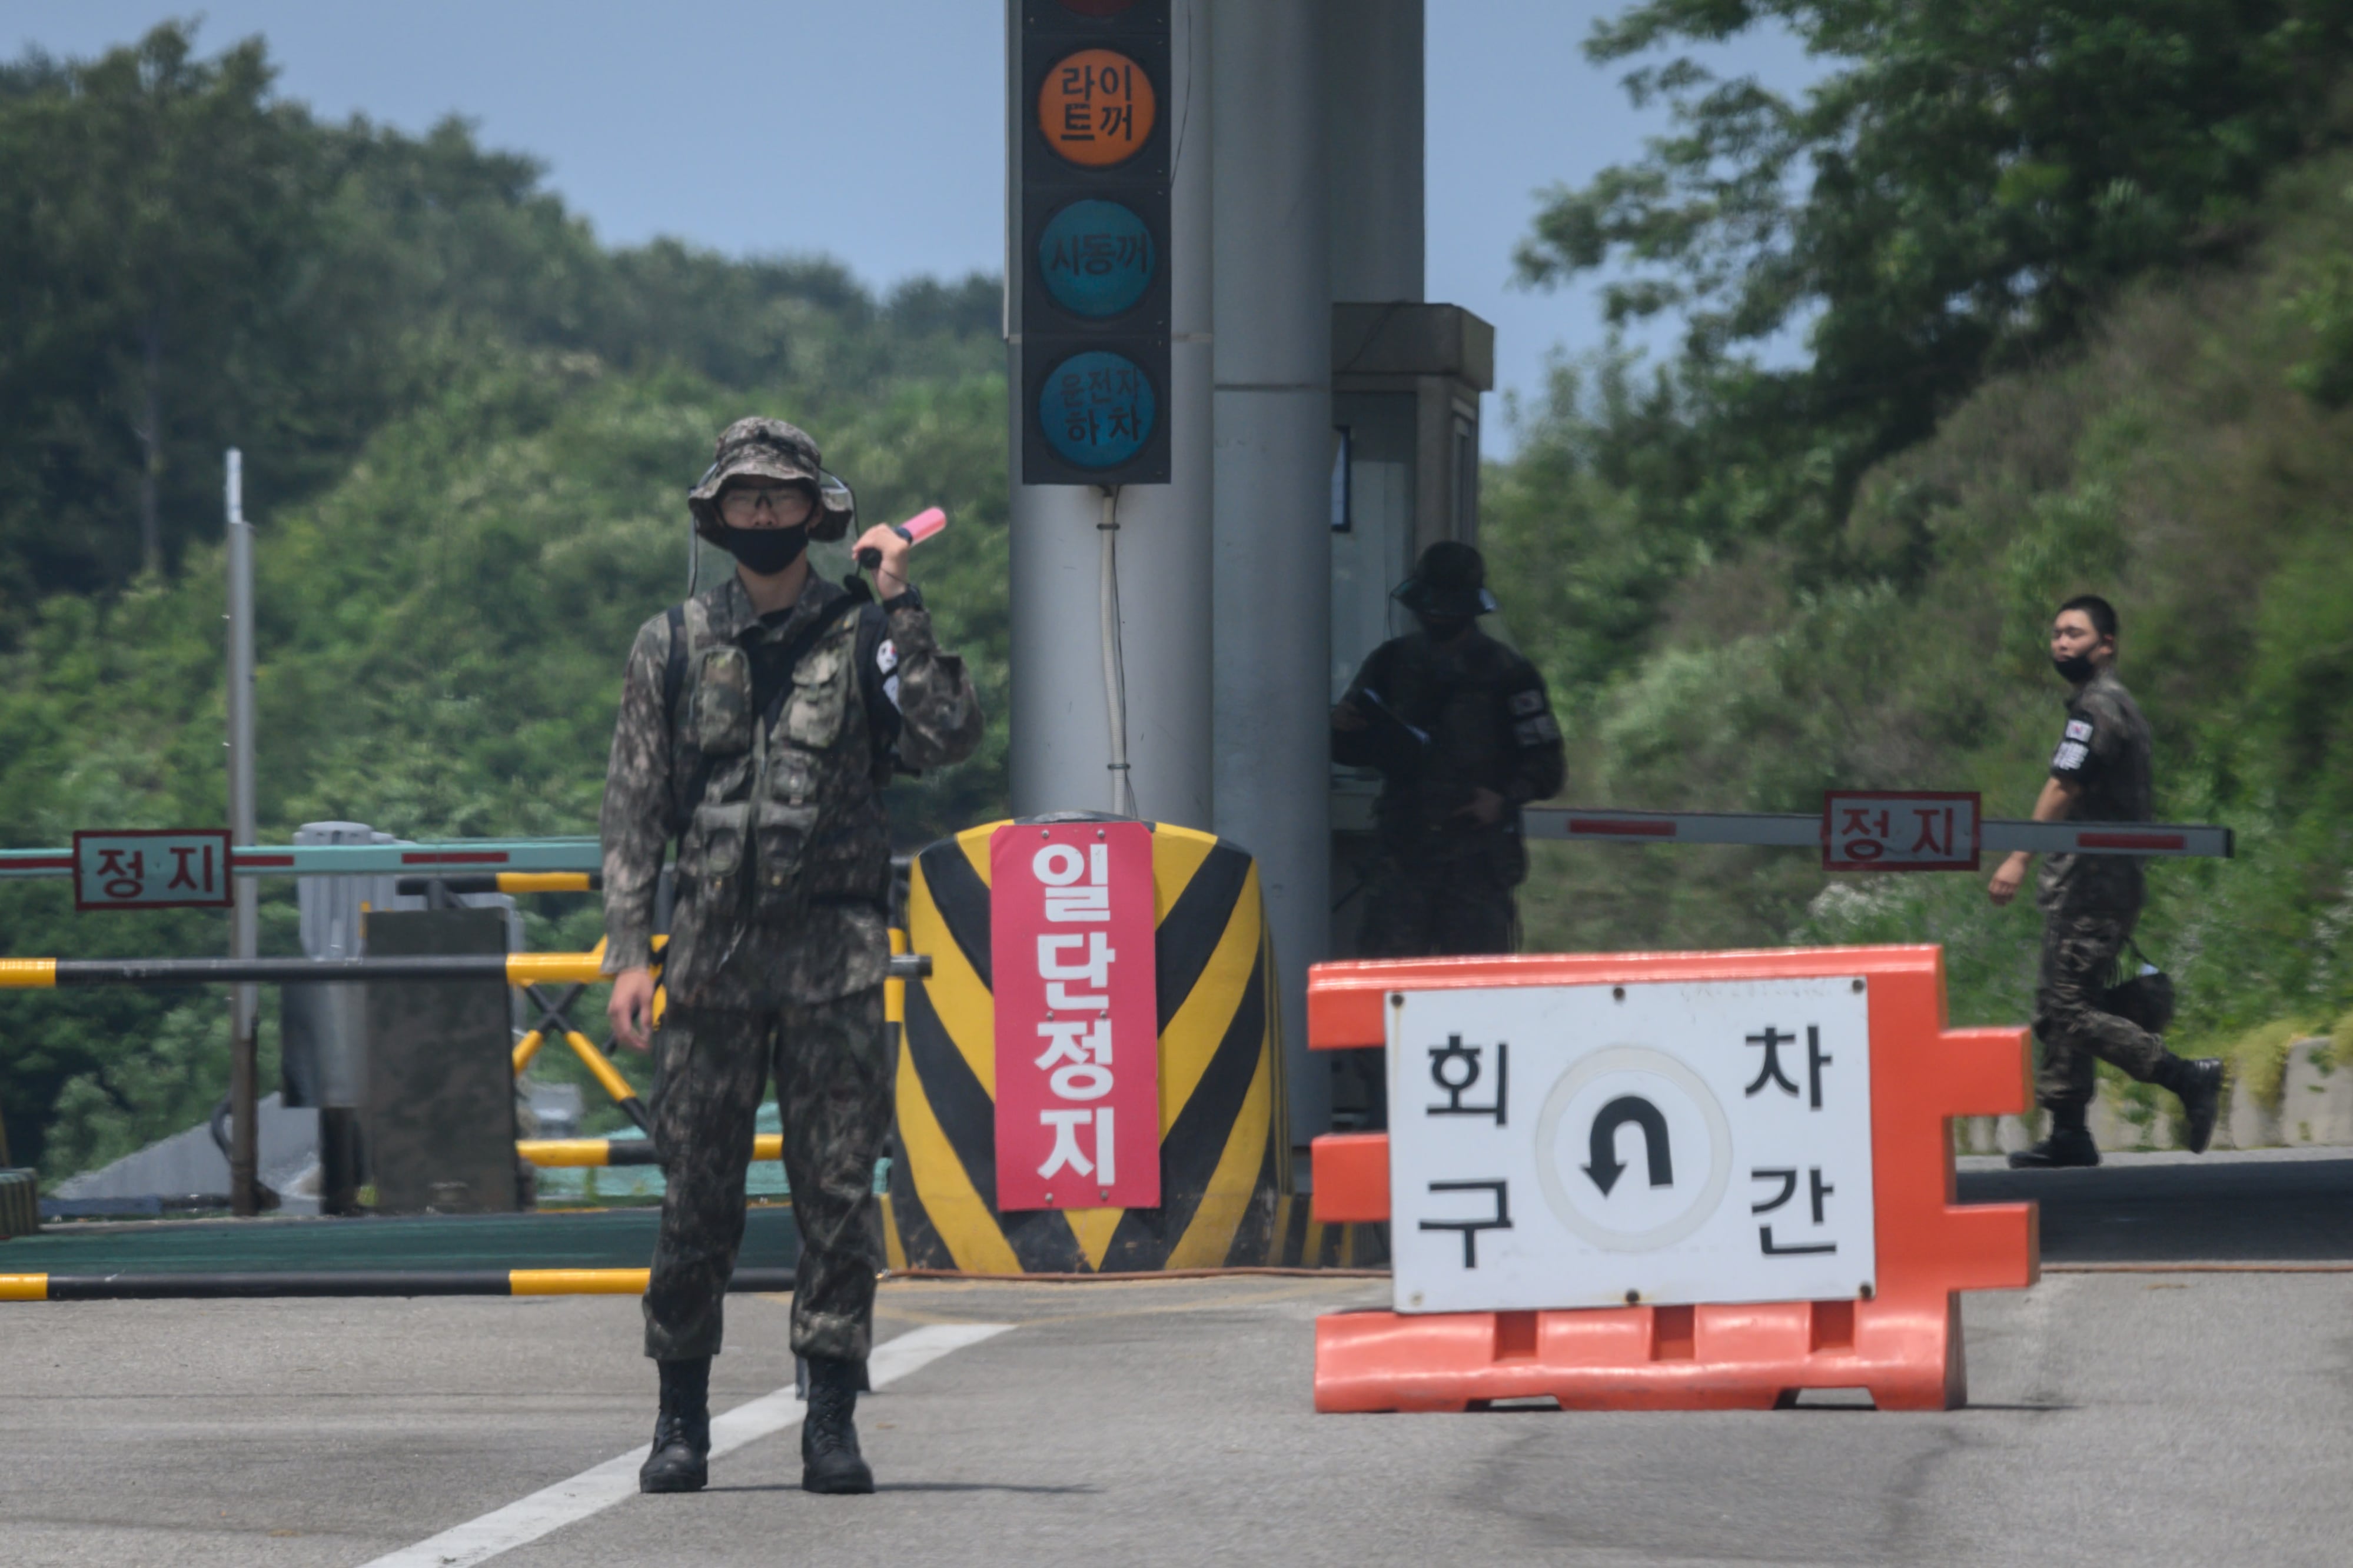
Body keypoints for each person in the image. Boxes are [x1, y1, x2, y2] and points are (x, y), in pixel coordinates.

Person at [600, 417, 982, 1495]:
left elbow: (949, 733)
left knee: (836, 1197)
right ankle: (679, 1419)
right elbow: (634, 805)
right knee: (695, 1198)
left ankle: (830, 1420)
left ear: (816, 514)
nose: (762, 513)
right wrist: (629, 950)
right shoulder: (671, 643)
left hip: (833, 967)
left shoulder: (865, 636)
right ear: (715, 516)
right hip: (709, 970)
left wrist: (901, 600)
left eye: (780, 498)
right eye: (745, 498)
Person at [1989, 594, 2222, 1168]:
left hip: (2092, 884)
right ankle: (2069, 1130)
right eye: (2056, 634)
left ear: (2106, 645)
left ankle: (2184, 1076)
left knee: (2068, 1008)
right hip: (2095, 881)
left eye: (2074, 633)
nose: (2061, 643)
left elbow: (2063, 784)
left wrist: (2019, 855)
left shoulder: (2097, 710)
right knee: (2061, 1004)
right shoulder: (2112, 706)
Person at [1330, 541, 1566, 956]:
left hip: (1477, 863)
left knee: (1475, 985)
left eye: (1447, 608)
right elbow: (1349, 749)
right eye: (1430, 607)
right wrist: (1341, 727)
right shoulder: (1391, 663)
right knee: (1389, 980)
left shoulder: (1508, 674)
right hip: (1404, 857)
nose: (1436, 616)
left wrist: (1503, 799)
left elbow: (1548, 766)